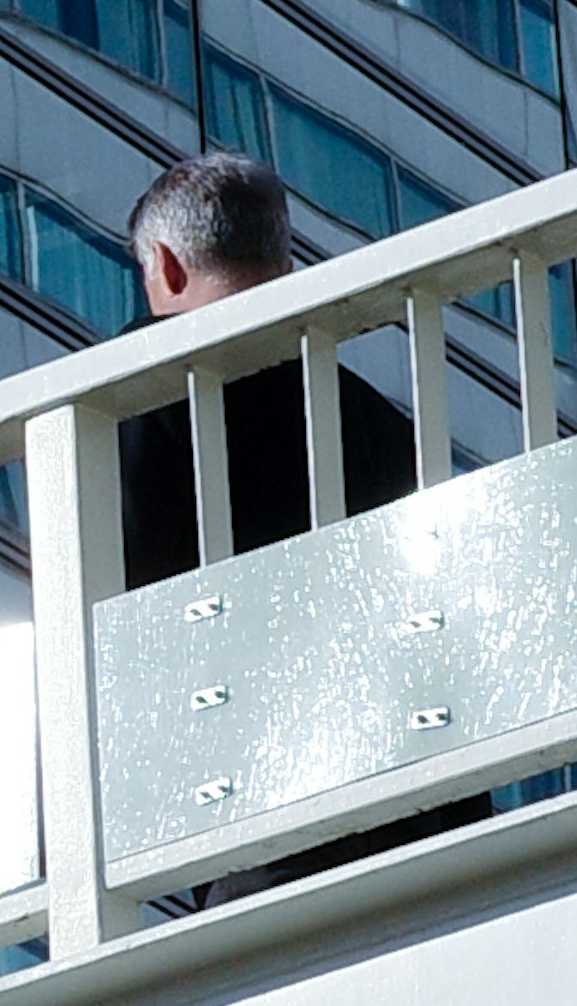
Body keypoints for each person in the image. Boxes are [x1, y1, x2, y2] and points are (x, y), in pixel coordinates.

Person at [117, 144, 477, 895]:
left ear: (167, 265)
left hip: (261, 820)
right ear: (279, 256)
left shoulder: (134, 397)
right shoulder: (380, 427)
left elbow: (108, 604)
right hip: (422, 811)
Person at [115, 146, 419, 586]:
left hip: (203, 644)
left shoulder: (144, 378)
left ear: (166, 267)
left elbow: (117, 555)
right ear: (284, 265)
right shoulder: (380, 425)